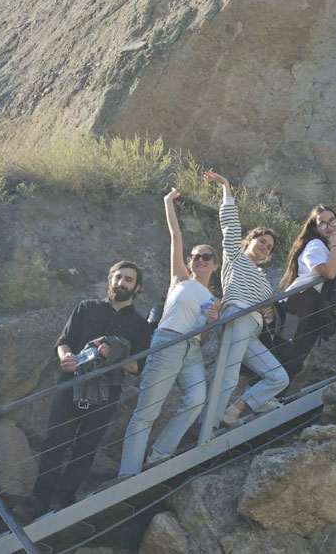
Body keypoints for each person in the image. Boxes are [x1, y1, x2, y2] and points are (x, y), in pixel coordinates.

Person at [31, 262, 152, 514]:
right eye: (117, 277)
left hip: (107, 391)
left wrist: (116, 354)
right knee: (55, 442)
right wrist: (66, 357)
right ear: (110, 280)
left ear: (137, 288)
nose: (121, 283)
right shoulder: (86, 308)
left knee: (86, 447)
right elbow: (64, 341)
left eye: (128, 279)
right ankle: (39, 502)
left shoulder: (141, 326)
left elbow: (136, 367)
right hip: (72, 382)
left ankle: (63, 501)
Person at [119, 189, 220, 476]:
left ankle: (159, 454)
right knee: (147, 411)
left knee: (197, 400)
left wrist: (212, 321)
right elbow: (175, 236)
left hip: (192, 350)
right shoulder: (180, 278)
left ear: (215, 265)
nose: (200, 260)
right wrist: (167, 202)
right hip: (168, 342)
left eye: (206, 257)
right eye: (195, 257)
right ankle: (128, 474)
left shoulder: (215, 300)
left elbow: (204, 337)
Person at [199, 172, 290, 429]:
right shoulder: (235, 258)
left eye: (269, 247)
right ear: (249, 240)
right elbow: (230, 224)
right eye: (262, 241)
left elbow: (269, 308)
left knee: (278, 377)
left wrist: (269, 312)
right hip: (237, 317)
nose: (265, 247)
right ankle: (207, 428)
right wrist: (226, 186)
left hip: (252, 329)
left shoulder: (263, 279)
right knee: (227, 376)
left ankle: (231, 412)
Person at [275, 205, 336, 377]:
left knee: (297, 357)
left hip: (313, 305)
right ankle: (265, 391)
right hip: (297, 303)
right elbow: (329, 273)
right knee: (285, 351)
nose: (329, 226)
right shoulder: (314, 245)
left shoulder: (327, 248)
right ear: (315, 228)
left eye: (332, 221)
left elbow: (333, 271)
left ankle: (277, 392)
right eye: (322, 223)